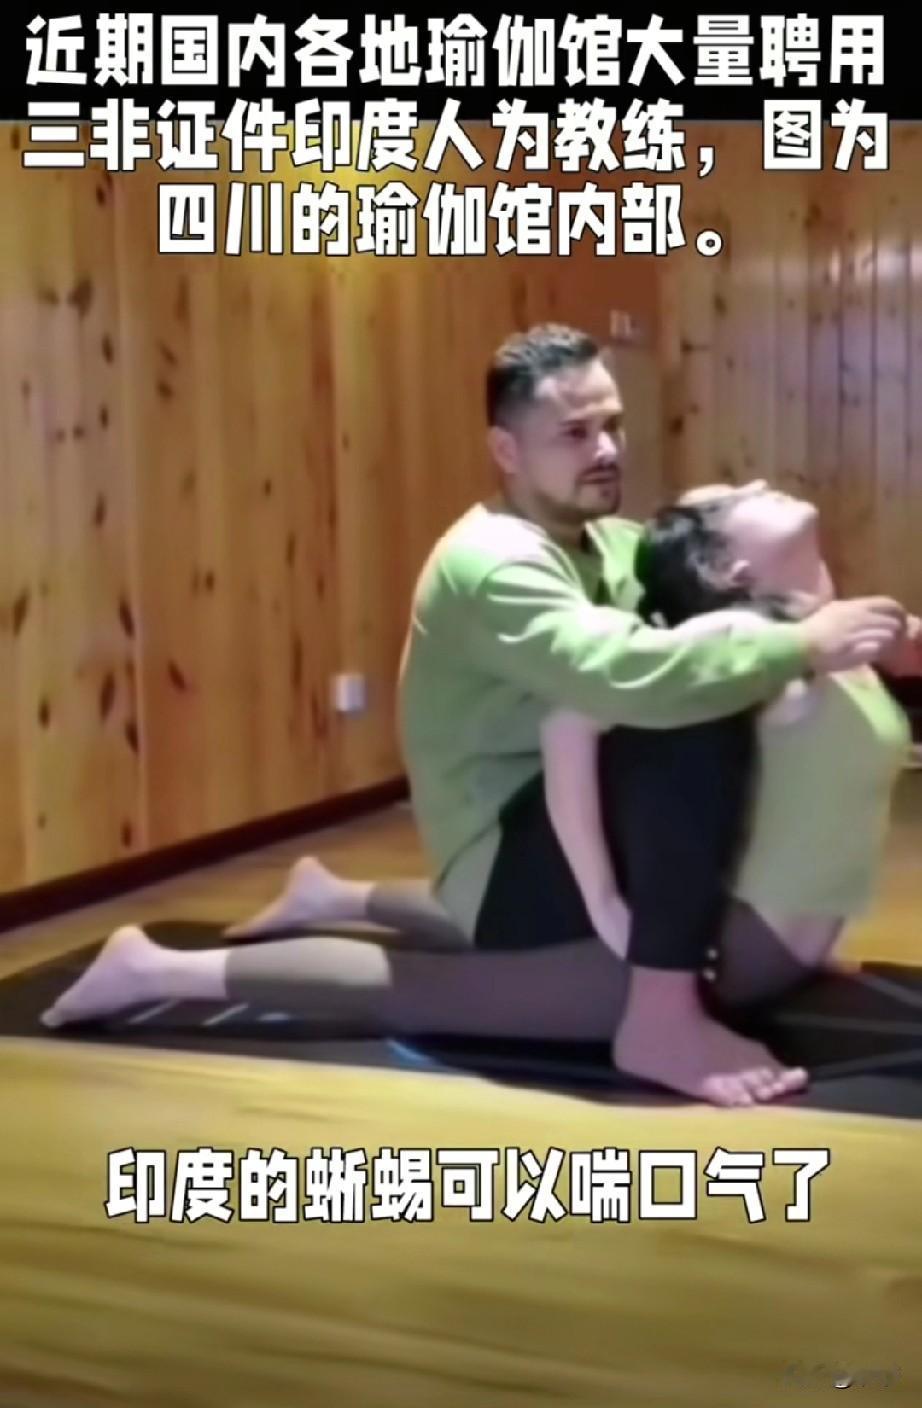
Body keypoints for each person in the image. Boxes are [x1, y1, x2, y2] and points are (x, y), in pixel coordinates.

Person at [39, 325, 910, 1110]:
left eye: (611, 425)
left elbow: (705, 606)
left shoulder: (605, 541)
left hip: (562, 821)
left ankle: (332, 895)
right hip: (502, 857)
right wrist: (802, 642)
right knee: (678, 711)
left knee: (699, 686)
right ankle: (152, 969)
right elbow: (626, 677)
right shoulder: (494, 565)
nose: (607, 448)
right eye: (574, 433)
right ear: (505, 449)